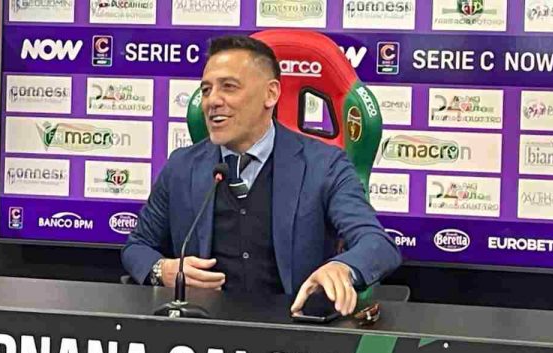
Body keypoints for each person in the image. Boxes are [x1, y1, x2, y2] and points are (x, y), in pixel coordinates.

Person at [121, 35, 401, 316]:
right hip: (202, 327)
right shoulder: (182, 167)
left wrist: (342, 268)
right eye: (206, 90)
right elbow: (138, 246)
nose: (212, 101)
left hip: (294, 329)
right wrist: (162, 270)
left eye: (229, 87)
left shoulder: (324, 165)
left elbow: (377, 243)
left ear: (271, 94)